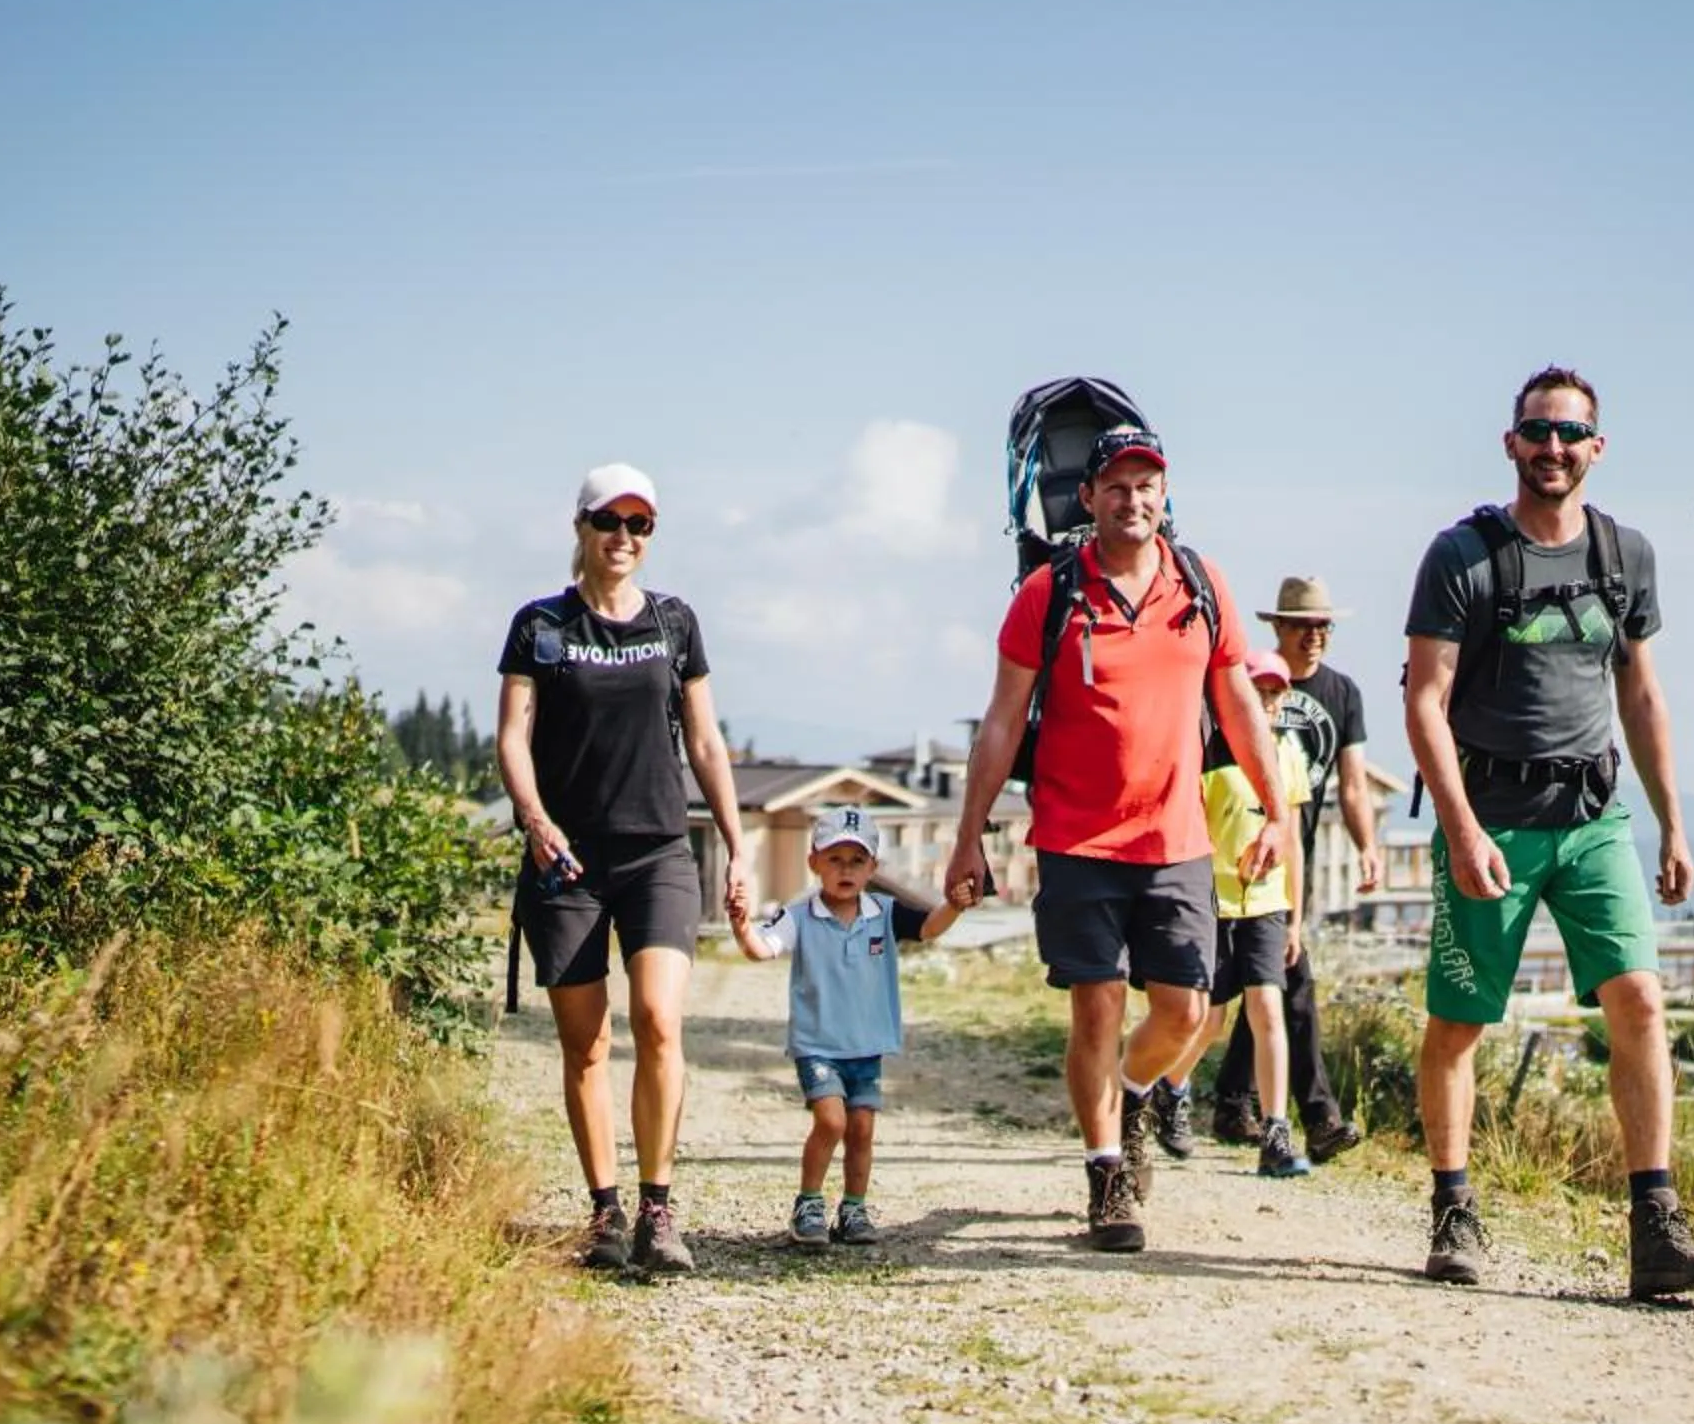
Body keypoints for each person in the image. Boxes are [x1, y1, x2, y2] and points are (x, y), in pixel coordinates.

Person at [1400, 368, 1694, 1300]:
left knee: (1639, 1000)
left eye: (1572, 433)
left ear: (1598, 446)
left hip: (1594, 817)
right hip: (1492, 821)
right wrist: (1463, 832)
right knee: (1461, 1022)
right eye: (1539, 432)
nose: (1555, 448)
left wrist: (1673, 821)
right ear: (1511, 443)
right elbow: (1424, 702)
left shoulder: (1625, 555)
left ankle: (1655, 1228)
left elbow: (1641, 692)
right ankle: (1453, 1208)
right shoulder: (1462, 557)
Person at [945, 423, 1293, 1253]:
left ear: (1164, 496)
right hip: (1076, 838)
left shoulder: (1201, 584)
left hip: (1176, 840)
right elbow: (1001, 722)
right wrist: (969, 837)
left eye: (1147, 485)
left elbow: (1239, 704)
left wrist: (1277, 809)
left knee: (1185, 1012)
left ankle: (1134, 1093)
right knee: (1096, 1009)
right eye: (1116, 486)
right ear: (1089, 499)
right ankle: (1107, 1175)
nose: (1132, 500)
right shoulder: (1049, 592)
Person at [497, 463, 750, 1277]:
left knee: (659, 1021)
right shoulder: (539, 626)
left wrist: (740, 845)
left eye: (640, 526)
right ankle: (604, 1212)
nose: (624, 539)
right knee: (586, 1045)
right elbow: (511, 737)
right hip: (566, 861)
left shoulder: (675, 623)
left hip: (657, 853)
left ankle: (657, 1208)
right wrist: (535, 822)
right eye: (611, 522)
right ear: (582, 527)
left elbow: (706, 742)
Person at [1173, 573, 1384, 1163]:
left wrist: (1366, 845)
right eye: (1304, 626)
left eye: (1324, 626)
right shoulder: (1232, 712)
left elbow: (1354, 783)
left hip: (1288, 867)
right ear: (1279, 628)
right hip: (1227, 877)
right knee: (1260, 995)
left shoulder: (1341, 696)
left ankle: (1257, 1111)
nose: (1316, 636)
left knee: (1270, 988)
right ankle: (1295, 1113)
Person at [729, 804, 978, 1244]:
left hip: (866, 1045)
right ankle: (808, 1203)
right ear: (814, 863)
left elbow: (928, 928)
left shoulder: (883, 911)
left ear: (873, 868)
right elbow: (761, 948)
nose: (846, 870)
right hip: (818, 1045)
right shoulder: (799, 916)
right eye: (835, 859)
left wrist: (954, 906)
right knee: (831, 1121)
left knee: (862, 1129)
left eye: (857, 861)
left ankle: (854, 1209)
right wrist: (741, 926)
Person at [1157, 651, 1314, 1176]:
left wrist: (1295, 916)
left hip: (1267, 903)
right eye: (1257, 690)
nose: (1265, 701)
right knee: (1209, 1018)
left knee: (1268, 1008)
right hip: (1213, 899)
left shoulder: (1288, 752)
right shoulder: (1206, 749)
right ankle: (1171, 1086)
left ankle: (1276, 1132)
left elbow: (1291, 838)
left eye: (1274, 692)